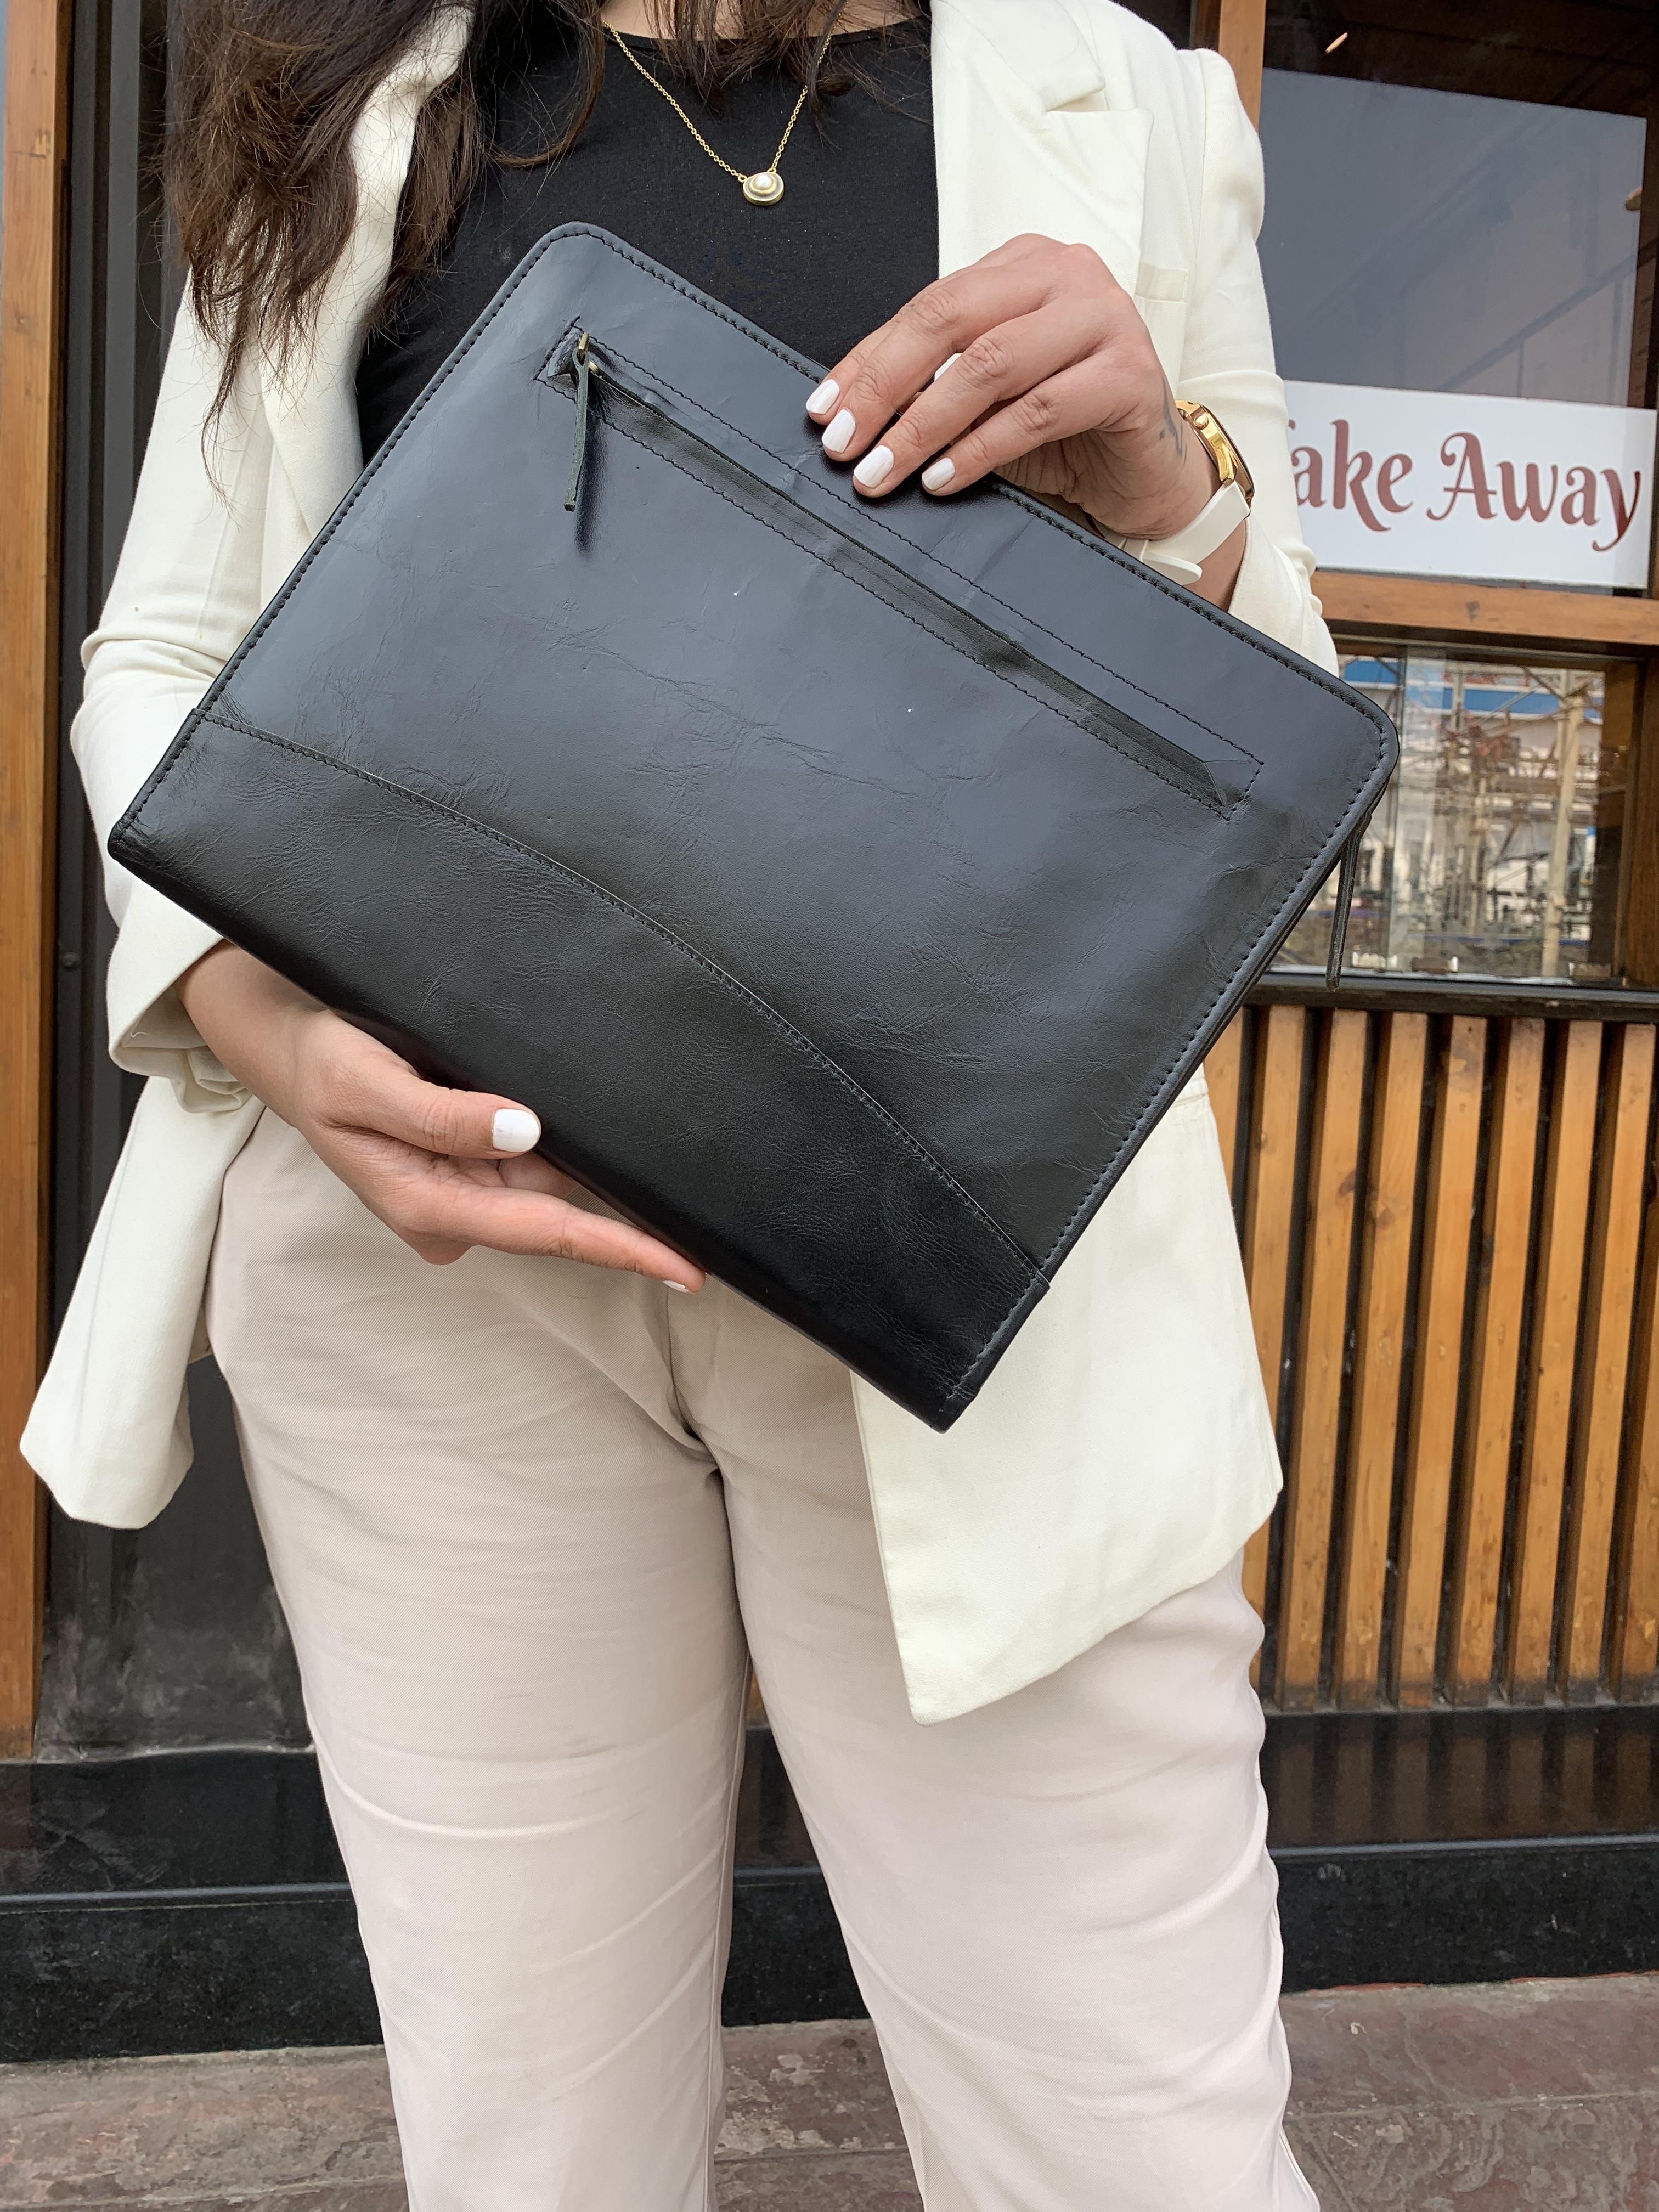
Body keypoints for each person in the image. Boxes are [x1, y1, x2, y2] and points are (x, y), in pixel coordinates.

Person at [25, 2, 1335, 2204]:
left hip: (958, 1262)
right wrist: (256, 1020)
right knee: (531, 2153)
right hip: (438, 1277)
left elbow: (1266, 736)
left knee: (1140, 2149)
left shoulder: (1125, 95)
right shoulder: (362, 89)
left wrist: (1167, 486)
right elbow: (169, 646)